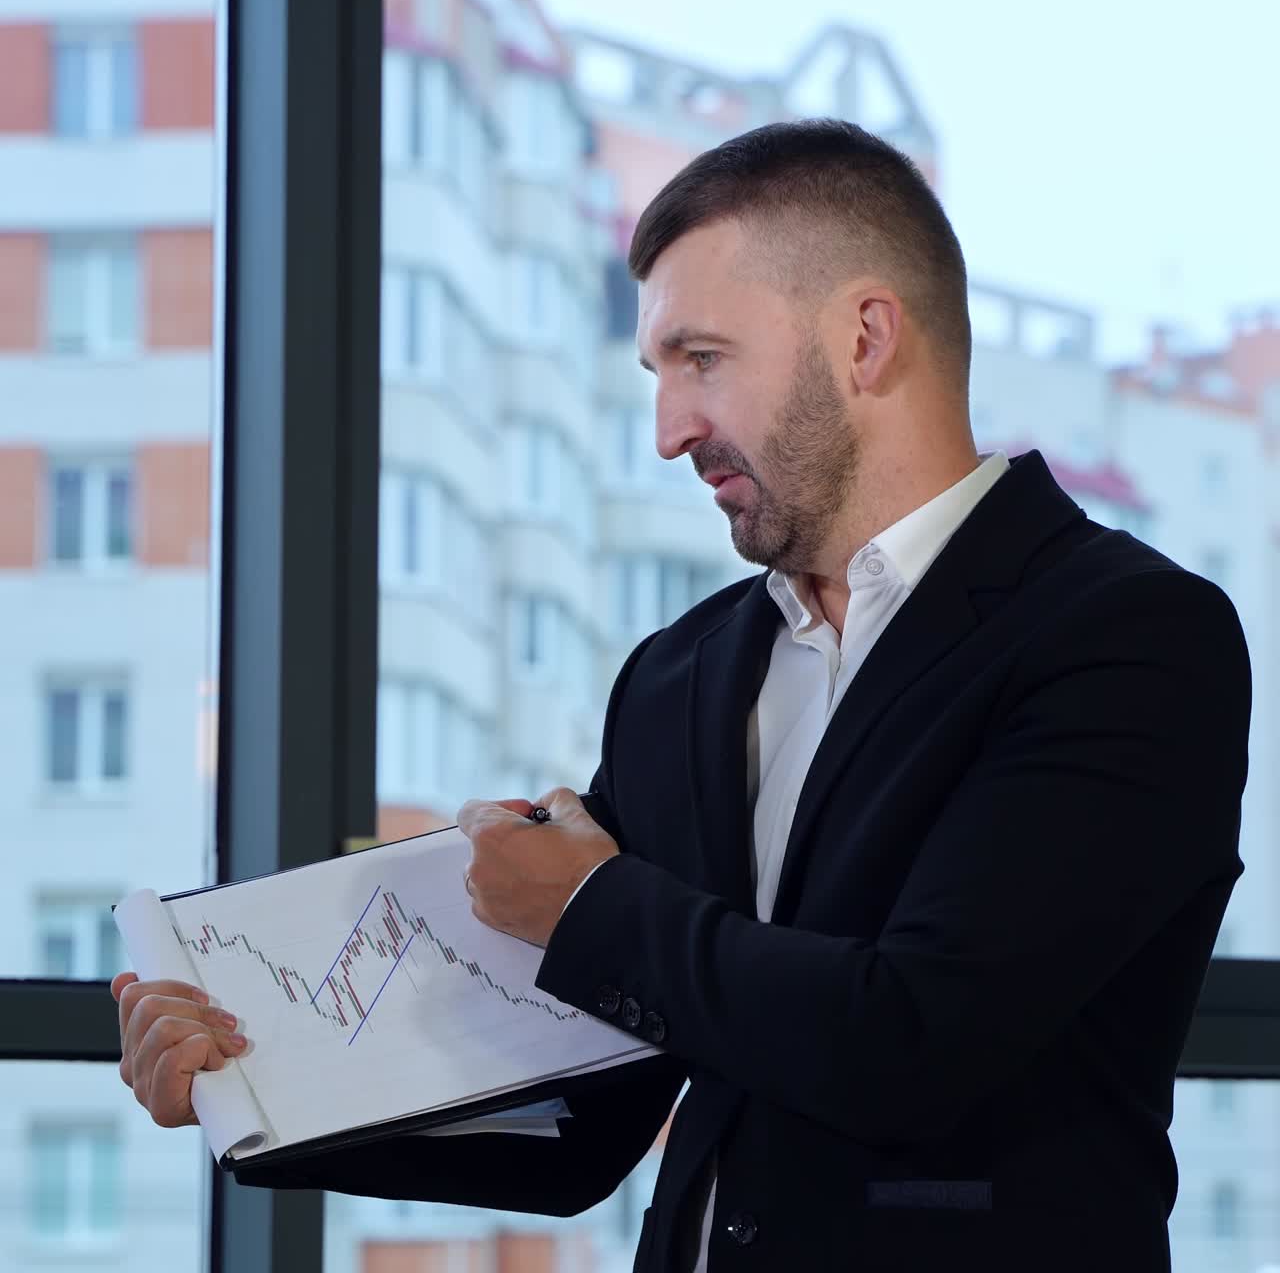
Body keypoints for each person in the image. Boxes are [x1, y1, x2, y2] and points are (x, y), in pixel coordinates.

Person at [112, 118, 1252, 1271]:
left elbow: (913, 1039)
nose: (667, 433)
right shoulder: (681, 672)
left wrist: (588, 903)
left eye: (700, 358)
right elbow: (581, 1132)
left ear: (863, 339)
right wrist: (252, 1092)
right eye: (655, 373)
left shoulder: (1129, 635)